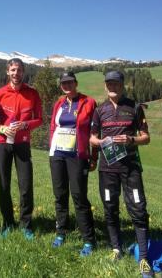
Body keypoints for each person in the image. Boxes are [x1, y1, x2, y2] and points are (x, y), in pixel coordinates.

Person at [89, 71, 153, 278]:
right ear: (105, 85)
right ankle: (116, 248)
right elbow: (92, 137)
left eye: (116, 83)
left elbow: (146, 138)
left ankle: (144, 258)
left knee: (138, 209)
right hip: (107, 169)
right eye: (109, 83)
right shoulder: (100, 111)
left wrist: (130, 140)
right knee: (110, 208)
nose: (112, 86)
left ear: (122, 85)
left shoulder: (134, 107)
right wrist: (98, 143)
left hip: (130, 168)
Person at [0, 58, 42, 240]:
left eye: (18, 70)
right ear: (7, 72)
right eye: (12, 70)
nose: (15, 73)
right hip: (3, 144)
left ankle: (26, 224)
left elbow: (39, 119)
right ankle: (7, 223)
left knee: (26, 185)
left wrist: (25, 125)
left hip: (22, 144)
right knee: (4, 185)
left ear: (23, 72)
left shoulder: (32, 93)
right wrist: (1, 128)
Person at [49, 71, 98, 256]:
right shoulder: (59, 103)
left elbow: (95, 132)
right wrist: (51, 150)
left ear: (76, 83)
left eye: (70, 82)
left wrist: (94, 156)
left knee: (79, 196)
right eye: (63, 83)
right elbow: (53, 127)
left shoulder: (89, 102)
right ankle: (61, 233)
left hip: (78, 156)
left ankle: (88, 240)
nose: (67, 85)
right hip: (58, 155)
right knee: (60, 195)